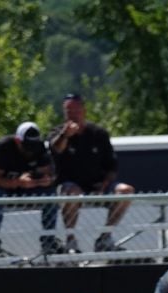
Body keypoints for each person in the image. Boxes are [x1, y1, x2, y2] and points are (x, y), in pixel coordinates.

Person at [48, 93, 135, 253]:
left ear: (83, 110)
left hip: (97, 184)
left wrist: (104, 185)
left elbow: (111, 166)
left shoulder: (98, 134)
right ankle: (71, 241)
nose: (73, 114)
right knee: (72, 193)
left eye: (76, 109)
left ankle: (105, 237)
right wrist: (65, 135)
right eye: (68, 110)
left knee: (125, 191)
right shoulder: (58, 133)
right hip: (70, 187)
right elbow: (56, 149)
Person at [0, 121, 60, 257]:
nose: (30, 151)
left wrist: (45, 180)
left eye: (33, 146)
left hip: (31, 187)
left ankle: (48, 242)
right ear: (18, 141)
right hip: (7, 187)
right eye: (27, 146)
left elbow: (50, 174)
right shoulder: (4, 147)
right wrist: (17, 182)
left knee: (51, 195)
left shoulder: (40, 148)